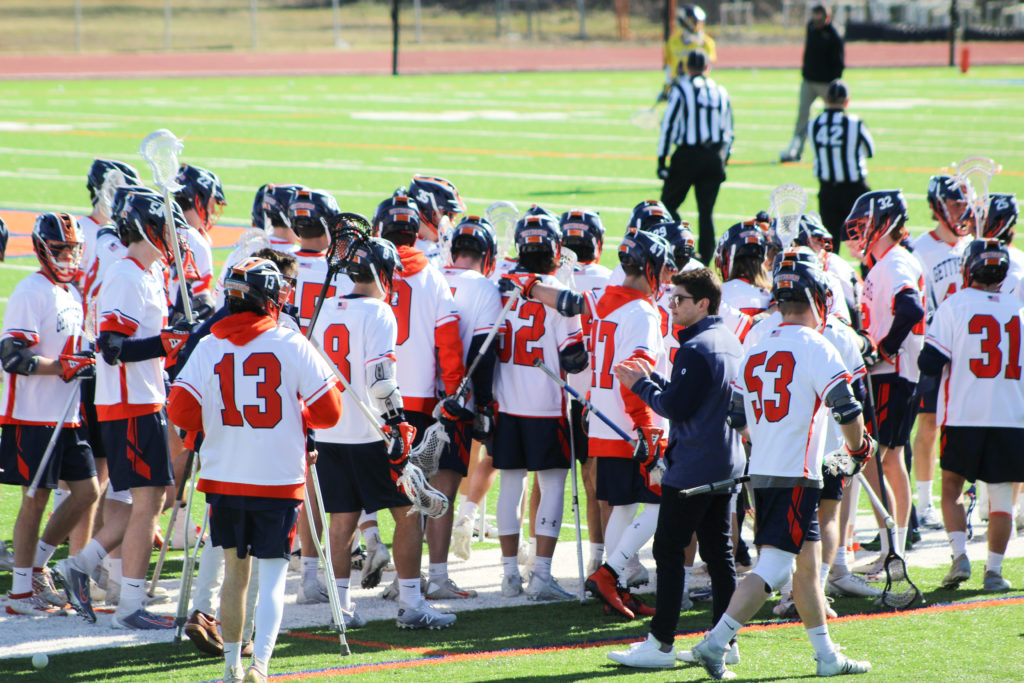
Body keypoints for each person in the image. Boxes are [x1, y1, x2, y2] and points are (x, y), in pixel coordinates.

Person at [690, 258, 873, 679]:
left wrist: (771, 438)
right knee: (774, 568)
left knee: (807, 568)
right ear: (817, 298)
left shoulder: (757, 343)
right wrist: (859, 446)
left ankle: (826, 657)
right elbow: (846, 406)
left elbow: (737, 417)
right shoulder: (815, 345)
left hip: (765, 471)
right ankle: (715, 642)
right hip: (796, 475)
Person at [167, 256, 343, 683]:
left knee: (235, 573)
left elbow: (181, 411)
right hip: (279, 479)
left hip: (225, 476)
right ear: (268, 298)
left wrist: (218, 422)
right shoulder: (291, 343)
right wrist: (294, 410)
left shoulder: (209, 345)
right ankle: (261, 667)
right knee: (273, 576)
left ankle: (231, 666)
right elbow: (330, 412)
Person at [62, 189, 194, 629]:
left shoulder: (145, 273)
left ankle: (81, 566)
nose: (177, 240)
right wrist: (165, 342)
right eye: (171, 230)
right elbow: (112, 347)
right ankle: (129, 606)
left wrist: (172, 341)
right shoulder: (127, 276)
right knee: (151, 500)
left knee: (128, 503)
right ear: (151, 228)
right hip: (130, 403)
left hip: (143, 398)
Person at [605, 266, 744, 668]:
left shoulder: (697, 347)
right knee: (719, 554)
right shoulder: (727, 341)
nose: (672, 305)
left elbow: (676, 408)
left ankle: (661, 643)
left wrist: (641, 385)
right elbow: (697, 399)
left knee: (669, 550)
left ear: (703, 303)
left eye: (680, 299)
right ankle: (725, 641)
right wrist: (660, 382)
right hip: (726, 461)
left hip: (695, 466)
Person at [372, 191, 471, 601]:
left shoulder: (365, 270)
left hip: (375, 398)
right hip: (420, 398)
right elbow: (448, 340)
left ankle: (388, 579)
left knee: (387, 496)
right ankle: (427, 578)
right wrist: (453, 389)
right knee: (422, 490)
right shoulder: (432, 275)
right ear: (416, 229)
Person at [1, 213, 100, 616]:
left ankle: (39, 566)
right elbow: (12, 356)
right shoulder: (32, 290)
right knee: (36, 496)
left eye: (72, 249)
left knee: (88, 492)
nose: (67, 256)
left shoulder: (72, 292)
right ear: (42, 248)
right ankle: (21, 592)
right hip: (32, 413)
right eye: (59, 249)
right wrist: (63, 366)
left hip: (67, 413)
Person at [919, 239, 1024, 592]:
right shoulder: (1019, 308)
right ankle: (993, 571)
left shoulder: (955, 305)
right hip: (1011, 416)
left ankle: (960, 555)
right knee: (1001, 497)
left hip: (965, 413)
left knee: (951, 487)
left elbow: (929, 362)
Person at [493, 212, 587, 601]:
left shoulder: (498, 285)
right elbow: (575, 359)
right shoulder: (556, 293)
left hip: (505, 402)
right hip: (546, 405)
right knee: (551, 486)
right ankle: (542, 576)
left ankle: (509, 575)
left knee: (510, 485)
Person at [844, 190, 924, 569]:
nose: (859, 234)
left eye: (863, 226)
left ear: (884, 222)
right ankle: (895, 546)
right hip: (894, 371)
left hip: (894, 372)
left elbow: (911, 308)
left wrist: (882, 349)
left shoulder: (894, 263)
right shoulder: (886, 262)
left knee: (880, 458)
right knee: (889, 459)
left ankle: (894, 548)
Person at [910, 176, 972, 533]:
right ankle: (924, 500)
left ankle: (983, 498)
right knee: (929, 423)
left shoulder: (976, 245)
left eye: (964, 204)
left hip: (970, 347)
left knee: (973, 421)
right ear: (937, 206)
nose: (961, 211)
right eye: (954, 203)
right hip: (936, 344)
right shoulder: (921, 249)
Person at [443, 217, 502, 564]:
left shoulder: (432, 278)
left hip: (416, 394)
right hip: (458, 399)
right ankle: (434, 573)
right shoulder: (483, 288)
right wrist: (485, 405)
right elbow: (484, 351)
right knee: (443, 488)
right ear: (487, 254)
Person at [657, 49, 733, 265]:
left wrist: (662, 159)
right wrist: (723, 159)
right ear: (708, 67)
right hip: (714, 156)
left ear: (688, 67)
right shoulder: (721, 91)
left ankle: (682, 244)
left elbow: (668, 126)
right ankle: (705, 260)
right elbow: (729, 131)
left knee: (667, 205)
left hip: (688, 155)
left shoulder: (681, 89)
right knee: (706, 212)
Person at [807, 80, 875, 248]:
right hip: (855, 190)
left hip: (828, 190)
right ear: (847, 101)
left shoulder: (814, 124)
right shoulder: (855, 123)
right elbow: (869, 151)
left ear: (826, 99)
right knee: (864, 241)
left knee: (830, 244)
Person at [780, 3, 845, 163]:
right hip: (809, 81)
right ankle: (796, 150)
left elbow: (839, 62)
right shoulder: (810, 27)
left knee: (835, 117)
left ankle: (839, 150)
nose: (816, 22)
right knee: (802, 116)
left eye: (819, 19)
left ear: (827, 17)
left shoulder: (834, 35)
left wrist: (834, 85)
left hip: (826, 84)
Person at [408, 174, 465, 268]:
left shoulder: (450, 242)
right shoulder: (408, 250)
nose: (453, 223)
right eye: (450, 216)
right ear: (431, 213)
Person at [661, 5, 717, 100]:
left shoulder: (706, 43)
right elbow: (669, 68)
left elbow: (707, 68)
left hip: (697, 91)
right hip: (677, 90)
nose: (697, 25)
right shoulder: (672, 42)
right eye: (693, 21)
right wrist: (667, 88)